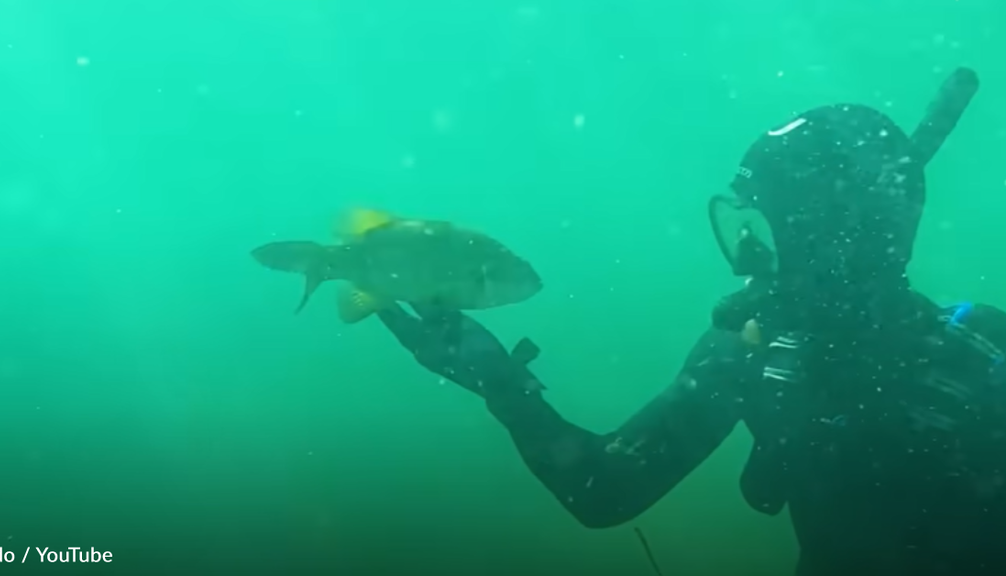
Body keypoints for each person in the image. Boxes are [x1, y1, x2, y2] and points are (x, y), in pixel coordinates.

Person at [373, 67, 1006, 576]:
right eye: (742, 229)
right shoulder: (753, 352)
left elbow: (602, 491)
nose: (747, 261)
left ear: (839, 240)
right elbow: (604, 490)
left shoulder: (984, 357)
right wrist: (502, 385)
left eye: (767, 231)